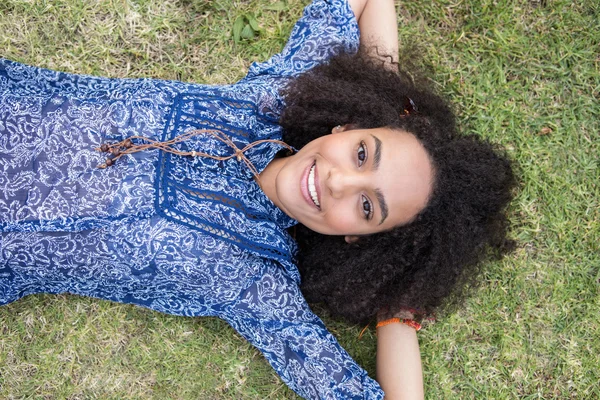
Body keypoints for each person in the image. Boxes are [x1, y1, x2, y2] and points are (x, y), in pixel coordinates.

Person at [0, 0, 514, 399]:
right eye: (362, 153)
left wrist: (398, 304)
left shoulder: (256, 282)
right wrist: (393, 110)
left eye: (367, 207)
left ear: (358, 238)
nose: (339, 182)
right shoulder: (273, 98)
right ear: (346, 124)